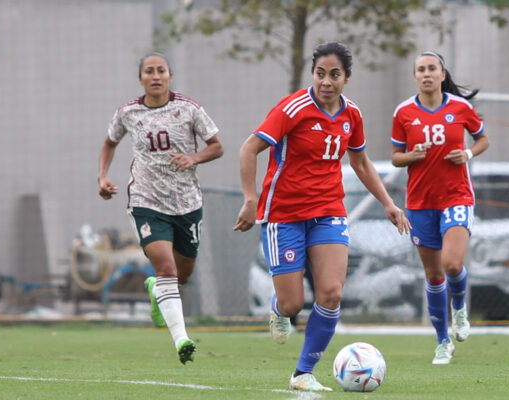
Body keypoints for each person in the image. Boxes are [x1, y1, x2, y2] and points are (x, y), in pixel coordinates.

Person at [233, 41, 411, 391]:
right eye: (320, 74)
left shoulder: (352, 115)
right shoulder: (293, 108)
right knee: (293, 302)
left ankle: (303, 374)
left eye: (334, 75)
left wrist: (389, 203)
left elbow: (360, 162)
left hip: (329, 211)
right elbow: (249, 148)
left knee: (330, 293)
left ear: (347, 78)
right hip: (284, 214)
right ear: (312, 74)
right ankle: (279, 309)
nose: (326, 81)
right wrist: (251, 199)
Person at [97, 52, 224, 365]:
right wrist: (102, 175)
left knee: (182, 274)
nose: (155, 76)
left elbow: (217, 146)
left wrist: (193, 158)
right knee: (166, 267)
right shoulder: (127, 113)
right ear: (141, 78)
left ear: (170, 76)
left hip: (187, 202)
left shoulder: (189, 109)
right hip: (146, 201)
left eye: (161, 71)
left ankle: (157, 289)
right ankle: (181, 339)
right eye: (149, 71)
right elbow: (110, 142)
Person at [390, 51, 489, 365]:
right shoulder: (404, 112)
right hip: (420, 202)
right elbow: (395, 156)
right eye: (421, 70)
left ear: (443, 74)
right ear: (415, 76)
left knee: (452, 264)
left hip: (456, 196)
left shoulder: (460, 108)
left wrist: (469, 155)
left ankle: (459, 309)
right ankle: (442, 342)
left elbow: (482, 139)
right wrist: (412, 155)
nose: (427, 74)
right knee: (433, 275)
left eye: (432, 68)